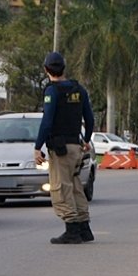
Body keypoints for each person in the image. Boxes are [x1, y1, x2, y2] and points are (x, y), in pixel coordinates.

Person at [34, 51, 95, 244]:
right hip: (76, 147)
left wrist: (38, 147)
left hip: (60, 148)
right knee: (76, 186)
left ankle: (72, 230)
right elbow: (90, 118)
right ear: (64, 68)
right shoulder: (79, 89)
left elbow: (47, 122)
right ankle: (85, 227)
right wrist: (86, 139)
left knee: (61, 188)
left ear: (46, 70)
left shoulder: (52, 91)